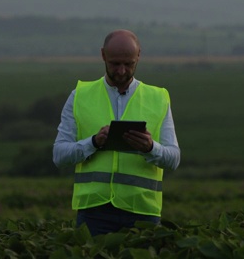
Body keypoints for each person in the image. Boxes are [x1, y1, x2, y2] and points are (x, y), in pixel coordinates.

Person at [53, 29, 181, 236]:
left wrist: (150, 148)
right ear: (103, 55)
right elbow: (59, 155)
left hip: (143, 212)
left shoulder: (159, 98)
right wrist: (93, 142)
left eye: (128, 64)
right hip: (94, 212)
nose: (121, 71)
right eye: (115, 64)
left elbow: (174, 159)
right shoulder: (79, 96)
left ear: (139, 56)